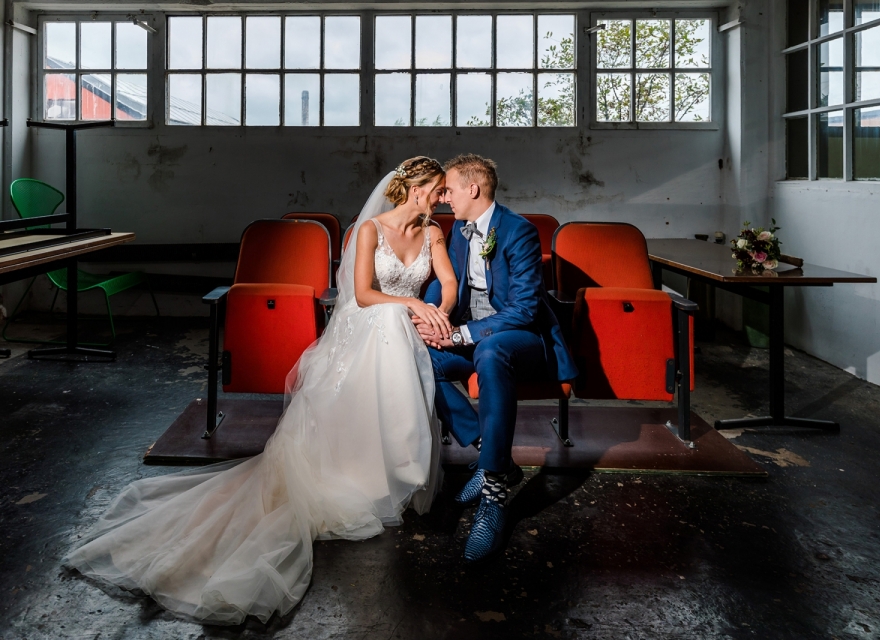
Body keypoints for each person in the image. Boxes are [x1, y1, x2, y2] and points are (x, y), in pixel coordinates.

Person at [63, 157, 457, 625]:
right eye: (438, 190)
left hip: (408, 324)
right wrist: (413, 304)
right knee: (390, 318)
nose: (442, 198)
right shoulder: (370, 229)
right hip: (369, 322)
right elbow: (365, 294)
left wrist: (439, 314)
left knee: (400, 323)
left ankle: (398, 460)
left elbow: (448, 283)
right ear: (417, 189)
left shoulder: (433, 232)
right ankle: (383, 461)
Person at [415, 154, 577, 562]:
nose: (445, 197)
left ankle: (493, 495)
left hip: (519, 339)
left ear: (473, 189)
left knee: (490, 348)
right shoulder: (458, 231)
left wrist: (462, 334)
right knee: (418, 361)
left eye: (449, 189)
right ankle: (494, 454)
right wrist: (430, 320)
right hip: (474, 335)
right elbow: (447, 282)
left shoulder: (518, 230)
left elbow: (524, 309)